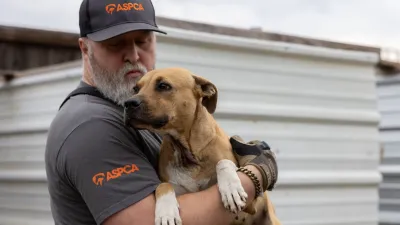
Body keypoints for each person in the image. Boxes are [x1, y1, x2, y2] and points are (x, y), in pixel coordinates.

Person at [44, 0, 278, 224]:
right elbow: (147, 222)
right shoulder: (89, 126)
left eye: (143, 41)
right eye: (116, 43)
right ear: (85, 49)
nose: (134, 56)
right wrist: (255, 177)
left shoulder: (145, 115)